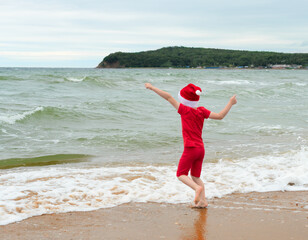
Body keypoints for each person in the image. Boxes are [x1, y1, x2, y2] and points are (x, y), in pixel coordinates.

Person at [145, 83, 237, 208]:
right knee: (195, 176)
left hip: (190, 148)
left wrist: (152, 87)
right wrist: (231, 103)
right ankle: (203, 201)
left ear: (183, 99)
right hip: (201, 149)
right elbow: (220, 116)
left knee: (181, 174)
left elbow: (168, 97)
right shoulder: (202, 111)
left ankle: (196, 188)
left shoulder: (184, 110)